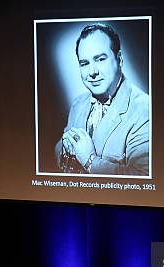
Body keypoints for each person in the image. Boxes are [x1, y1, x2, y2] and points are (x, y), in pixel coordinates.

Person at [54, 23, 150, 176]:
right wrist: (64, 147)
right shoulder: (78, 104)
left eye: (100, 59)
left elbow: (142, 180)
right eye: (84, 63)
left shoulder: (144, 111)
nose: (92, 72)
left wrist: (90, 160)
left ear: (119, 60)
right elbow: (60, 151)